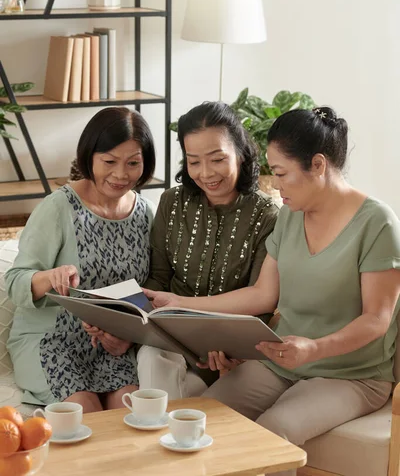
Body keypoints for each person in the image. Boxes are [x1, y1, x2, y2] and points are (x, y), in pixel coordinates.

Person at [144, 106, 400, 476]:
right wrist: (181, 302)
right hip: (281, 360)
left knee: (271, 432)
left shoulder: (377, 224)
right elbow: (263, 294)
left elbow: (377, 320)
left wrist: (313, 348)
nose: (275, 184)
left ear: (317, 165)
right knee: (198, 418)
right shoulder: (291, 215)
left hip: (351, 374)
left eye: (280, 173)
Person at [6, 107, 156, 413]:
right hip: (51, 341)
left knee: (133, 415)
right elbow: (15, 281)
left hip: (111, 347)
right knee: (85, 416)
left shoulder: (146, 214)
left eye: (133, 163)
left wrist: (127, 337)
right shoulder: (58, 207)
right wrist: (51, 276)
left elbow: (147, 291)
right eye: (109, 161)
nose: (121, 174)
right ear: (90, 157)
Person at [137, 101, 279, 398]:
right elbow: (158, 279)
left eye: (217, 159)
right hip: (169, 339)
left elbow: (261, 301)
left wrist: (225, 341)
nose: (205, 173)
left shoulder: (267, 216)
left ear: (240, 152)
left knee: (174, 402)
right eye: (194, 161)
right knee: (153, 358)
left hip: (226, 350)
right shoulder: (171, 203)